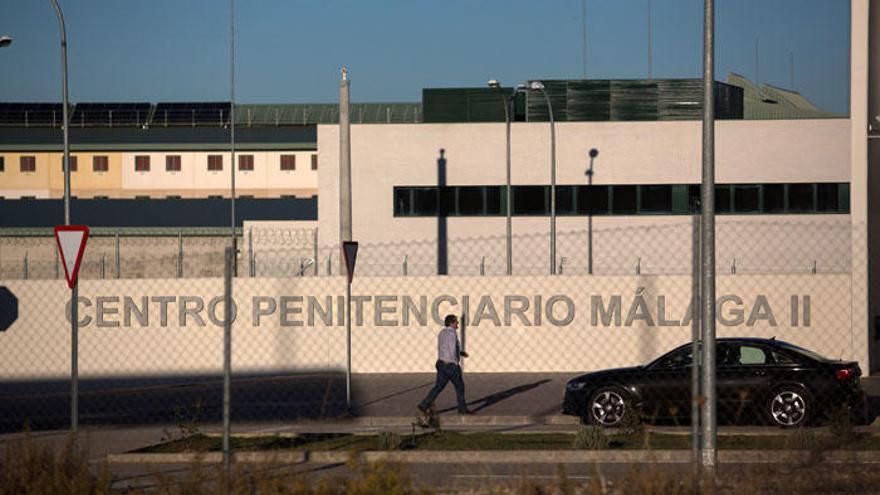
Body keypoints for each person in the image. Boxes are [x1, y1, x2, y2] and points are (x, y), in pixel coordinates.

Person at [417, 314, 471, 415]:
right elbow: (451, 349)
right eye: (456, 322)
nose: (457, 324)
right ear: (451, 323)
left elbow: (444, 347)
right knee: (460, 387)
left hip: (441, 363)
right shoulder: (452, 333)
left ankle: (424, 404)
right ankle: (462, 409)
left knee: (438, 386)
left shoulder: (441, 333)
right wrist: (454, 363)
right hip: (450, 365)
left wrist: (461, 353)